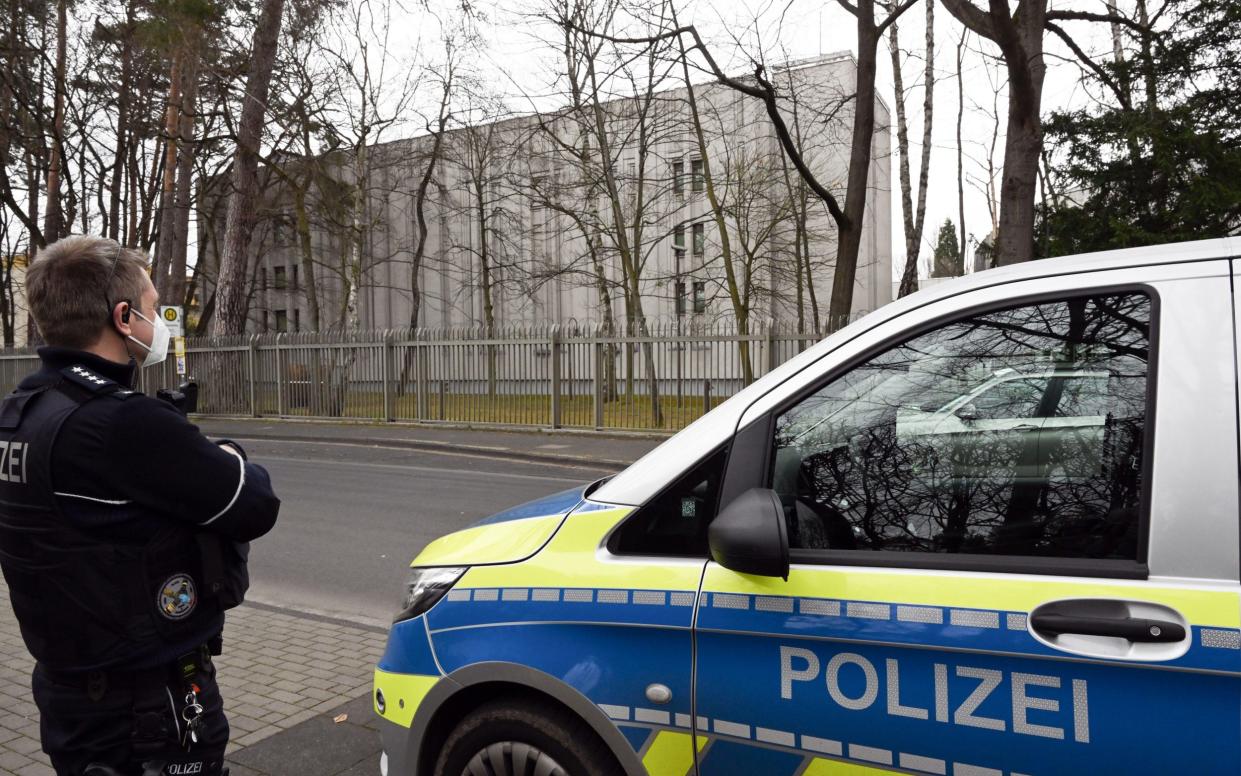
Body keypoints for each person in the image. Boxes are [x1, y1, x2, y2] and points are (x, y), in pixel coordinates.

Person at [0, 236, 281, 775]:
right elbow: (255, 502)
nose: (163, 321)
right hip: (147, 704)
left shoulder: (21, 413)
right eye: (154, 308)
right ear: (123, 317)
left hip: (70, 695)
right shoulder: (119, 423)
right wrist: (225, 452)